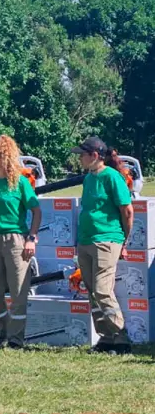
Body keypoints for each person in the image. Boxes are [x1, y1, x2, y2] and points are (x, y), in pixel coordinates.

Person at [0, 135, 42, 349]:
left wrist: (31, 238)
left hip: (16, 240)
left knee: (18, 291)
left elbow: (36, 212)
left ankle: (16, 339)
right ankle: (2, 331)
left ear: (4, 157)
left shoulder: (21, 182)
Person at [73, 136, 134, 355]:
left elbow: (127, 210)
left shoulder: (112, 177)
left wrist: (123, 241)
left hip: (107, 239)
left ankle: (121, 336)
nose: (79, 158)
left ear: (95, 156)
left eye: (82, 154)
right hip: (87, 240)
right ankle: (106, 338)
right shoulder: (88, 178)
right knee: (92, 291)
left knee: (102, 289)